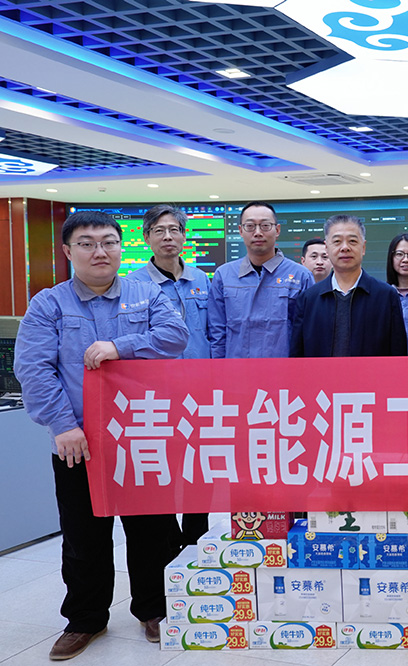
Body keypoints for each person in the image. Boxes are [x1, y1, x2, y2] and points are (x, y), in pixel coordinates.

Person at [14, 211, 188, 658]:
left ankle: (155, 609)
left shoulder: (145, 293)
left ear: (120, 247)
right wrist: (63, 426)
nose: (100, 252)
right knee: (84, 535)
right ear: (68, 251)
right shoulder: (48, 304)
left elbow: (175, 336)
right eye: (87, 243)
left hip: (142, 437)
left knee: (153, 530)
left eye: (109, 242)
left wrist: (119, 346)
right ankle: (85, 618)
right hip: (79, 442)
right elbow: (34, 370)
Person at [125, 204, 210, 546]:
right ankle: (167, 544)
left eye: (174, 229)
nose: (168, 237)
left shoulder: (201, 279)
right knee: (163, 468)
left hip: (201, 392)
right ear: (147, 237)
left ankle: (197, 542)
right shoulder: (132, 284)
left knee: (200, 470)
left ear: (184, 236)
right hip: (157, 395)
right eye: (159, 231)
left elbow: (214, 332)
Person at [207, 201, 313, 359]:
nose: (257, 233)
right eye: (250, 226)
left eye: (265, 226)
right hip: (236, 369)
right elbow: (217, 333)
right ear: (240, 231)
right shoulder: (223, 275)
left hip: (284, 369)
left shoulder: (301, 276)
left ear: (277, 230)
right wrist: (219, 368)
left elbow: (308, 334)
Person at [291, 215, 406, 357]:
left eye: (352, 241)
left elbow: (397, 353)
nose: (345, 247)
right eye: (337, 241)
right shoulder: (308, 299)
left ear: (363, 247)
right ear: (327, 248)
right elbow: (297, 355)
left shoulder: (386, 296)